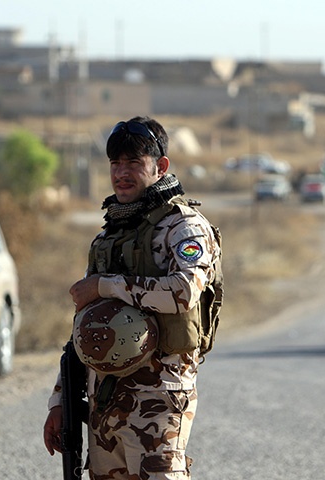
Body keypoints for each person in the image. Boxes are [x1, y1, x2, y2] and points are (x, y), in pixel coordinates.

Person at [43, 116, 220, 479]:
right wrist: (60, 400)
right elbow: (86, 323)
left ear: (161, 167)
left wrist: (105, 285)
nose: (122, 173)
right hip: (105, 398)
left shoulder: (184, 227)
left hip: (159, 396)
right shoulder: (109, 236)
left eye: (134, 164)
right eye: (115, 164)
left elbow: (184, 291)